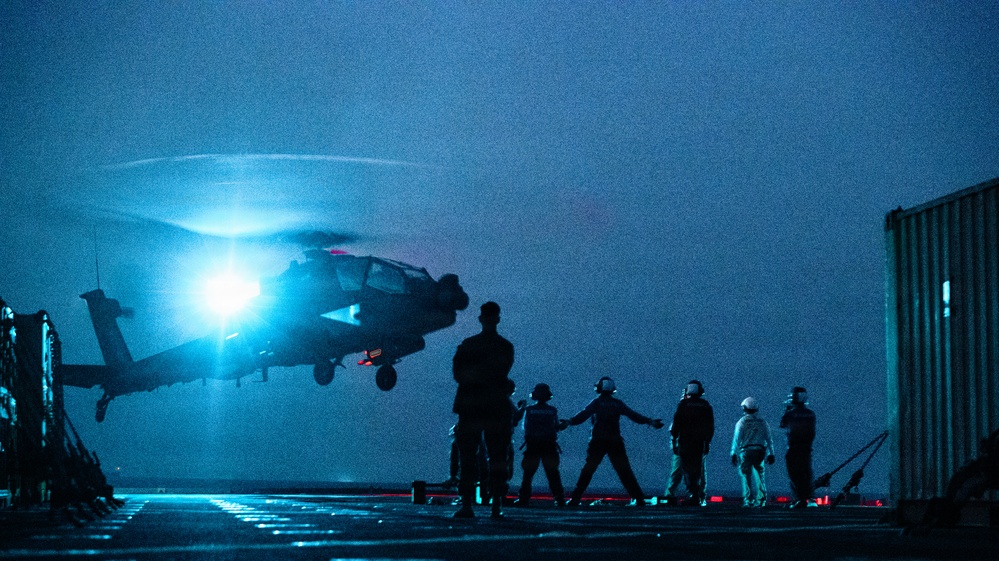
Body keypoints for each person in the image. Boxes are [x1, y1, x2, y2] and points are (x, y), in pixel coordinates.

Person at [451, 301, 515, 519]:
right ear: (497, 318)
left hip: (471, 405)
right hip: (495, 406)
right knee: (497, 457)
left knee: (469, 457)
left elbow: (459, 375)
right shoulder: (505, 347)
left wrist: (475, 379)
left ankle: (468, 504)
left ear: (481, 319)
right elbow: (500, 373)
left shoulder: (468, 346)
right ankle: (496, 505)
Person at [561, 376, 664, 507]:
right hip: (615, 441)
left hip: (597, 441)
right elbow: (633, 415)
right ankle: (638, 498)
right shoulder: (617, 404)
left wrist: (569, 422)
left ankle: (575, 499)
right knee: (625, 471)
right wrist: (650, 421)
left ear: (599, 388)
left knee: (588, 471)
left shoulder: (596, 403)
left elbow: (582, 415)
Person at [514, 383, 566, 507]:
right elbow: (556, 427)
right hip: (549, 445)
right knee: (553, 473)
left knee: (528, 474)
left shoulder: (529, 410)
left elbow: (525, 427)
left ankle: (523, 499)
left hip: (533, 445)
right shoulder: (552, 410)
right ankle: (559, 498)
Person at [670, 379, 714, 506]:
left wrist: (674, 440)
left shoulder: (683, 405)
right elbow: (710, 426)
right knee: (697, 468)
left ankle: (693, 493)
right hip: (699, 442)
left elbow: (676, 423)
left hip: (685, 441)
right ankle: (698, 495)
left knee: (687, 469)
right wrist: (707, 442)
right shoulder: (706, 406)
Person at [730, 397, 775, 508]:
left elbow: (737, 438)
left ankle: (748, 500)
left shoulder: (742, 422)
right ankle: (761, 500)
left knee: (746, 476)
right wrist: (771, 453)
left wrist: (733, 453)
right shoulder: (763, 422)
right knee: (760, 475)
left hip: (745, 451)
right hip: (760, 451)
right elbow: (769, 439)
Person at [780, 386, 816, 509]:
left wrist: (786, 410)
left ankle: (799, 499)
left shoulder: (791, 413)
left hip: (793, 447)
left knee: (794, 474)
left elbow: (783, 424)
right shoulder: (811, 414)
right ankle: (810, 498)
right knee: (806, 472)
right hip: (806, 447)